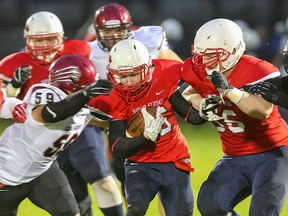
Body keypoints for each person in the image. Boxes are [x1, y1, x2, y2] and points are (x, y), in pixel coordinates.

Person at [0, 11, 124, 216]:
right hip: (7, 174)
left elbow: (100, 117)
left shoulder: (81, 105)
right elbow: (51, 113)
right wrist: (13, 87)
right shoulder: (44, 93)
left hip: (42, 168)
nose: (45, 45)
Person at [178, 18, 288, 215]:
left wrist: (229, 91)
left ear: (234, 51)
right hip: (234, 155)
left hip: (273, 153)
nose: (203, 61)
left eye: (211, 55)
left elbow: (261, 109)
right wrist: (201, 104)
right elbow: (187, 91)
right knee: (209, 205)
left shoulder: (259, 70)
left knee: (263, 210)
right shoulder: (198, 69)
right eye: (200, 54)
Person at [86, 5, 184, 213]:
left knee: (167, 179)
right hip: (118, 119)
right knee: (126, 176)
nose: (113, 35)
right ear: (97, 31)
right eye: (107, 30)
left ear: (129, 27)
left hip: (157, 115)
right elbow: (91, 106)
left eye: (119, 29)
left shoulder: (148, 39)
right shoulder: (89, 53)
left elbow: (179, 69)